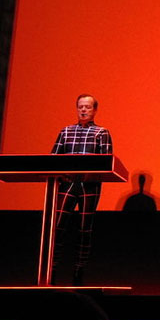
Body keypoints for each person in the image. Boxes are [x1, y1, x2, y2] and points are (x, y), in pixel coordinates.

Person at [51, 93, 113, 286]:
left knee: (85, 229)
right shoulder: (66, 131)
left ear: (95, 110)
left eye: (87, 107)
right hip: (67, 183)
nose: (83, 110)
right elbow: (52, 158)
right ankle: (50, 269)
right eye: (80, 107)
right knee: (58, 227)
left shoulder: (101, 133)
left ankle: (79, 271)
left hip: (89, 185)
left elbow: (106, 161)